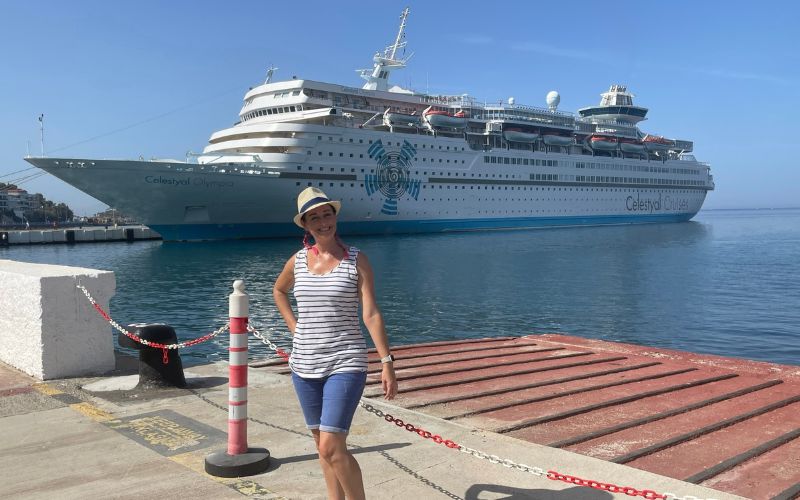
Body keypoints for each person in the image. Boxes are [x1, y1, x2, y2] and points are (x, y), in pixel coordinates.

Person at [273, 187, 397, 500]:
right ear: (305, 224)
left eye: (327, 214)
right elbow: (278, 291)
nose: (322, 221)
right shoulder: (298, 262)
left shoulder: (357, 260)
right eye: (314, 217)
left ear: (335, 217)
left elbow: (370, 313)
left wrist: (386, 362)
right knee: (323, 446)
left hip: (346, 361)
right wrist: (294, 327)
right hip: (304, 364)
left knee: (331, 445)